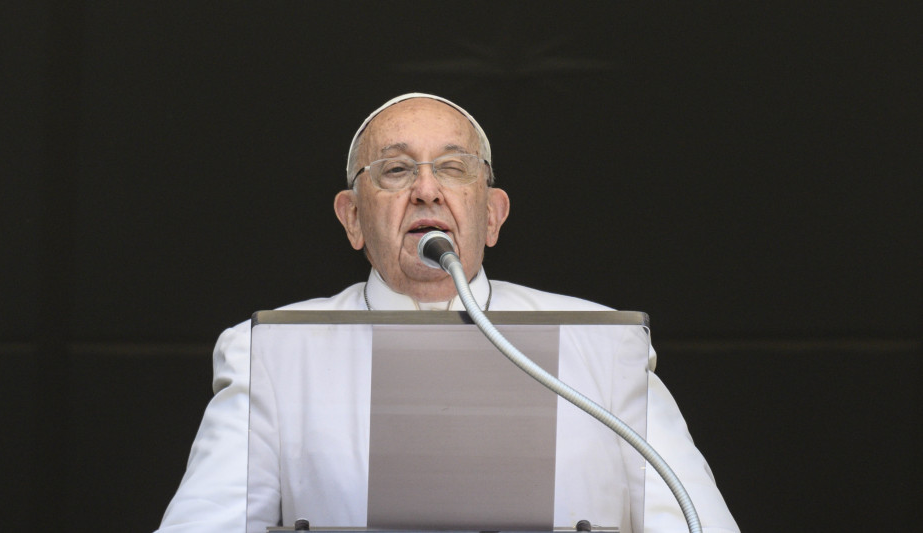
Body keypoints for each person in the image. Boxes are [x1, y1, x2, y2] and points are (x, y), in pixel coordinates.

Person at [156, 93, 740, 533]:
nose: (427, 190)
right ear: (352, 217)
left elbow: (695, 520)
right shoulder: (275, 355)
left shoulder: (602, 347)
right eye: (396, 169)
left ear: (492, 215)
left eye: (454, 168)